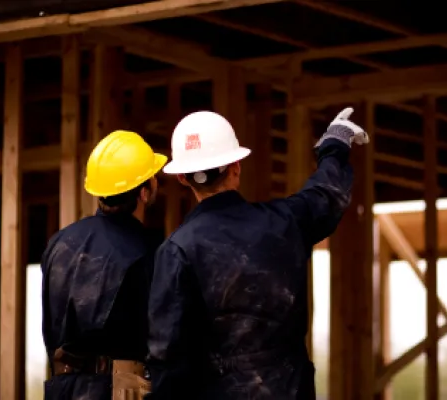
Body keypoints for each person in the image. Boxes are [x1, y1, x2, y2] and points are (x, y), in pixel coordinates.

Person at [145, 107, 369, 399]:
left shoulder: (177, 250)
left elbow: (167, 355)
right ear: (236, 165)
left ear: (183, 179)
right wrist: (334, 144)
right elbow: (326, 194)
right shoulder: (285, 223)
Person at [41, 130, 168, 400]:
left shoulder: (59, 243)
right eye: (152, 177)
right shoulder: (149, 252)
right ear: (144, 193)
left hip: (62, 389)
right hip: (119, 390)